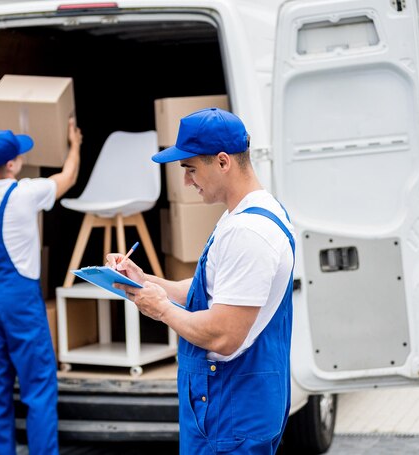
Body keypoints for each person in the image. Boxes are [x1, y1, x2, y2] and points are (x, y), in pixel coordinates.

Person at [109, 108, 295, 454]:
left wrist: (161, 309)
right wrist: (143, 279)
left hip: (229, 409)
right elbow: (204, 294)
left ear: (223, 162)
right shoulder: (250, 214)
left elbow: (223, 334)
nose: (186, 181)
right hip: (236, 404)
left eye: (190, 169)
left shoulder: (248, 233)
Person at [0, 117, 83, 455]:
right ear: (13, 164)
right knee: (38, 389)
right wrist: (75, 144)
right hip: (21, 307)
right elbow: (68, 177)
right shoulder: (26, 192)